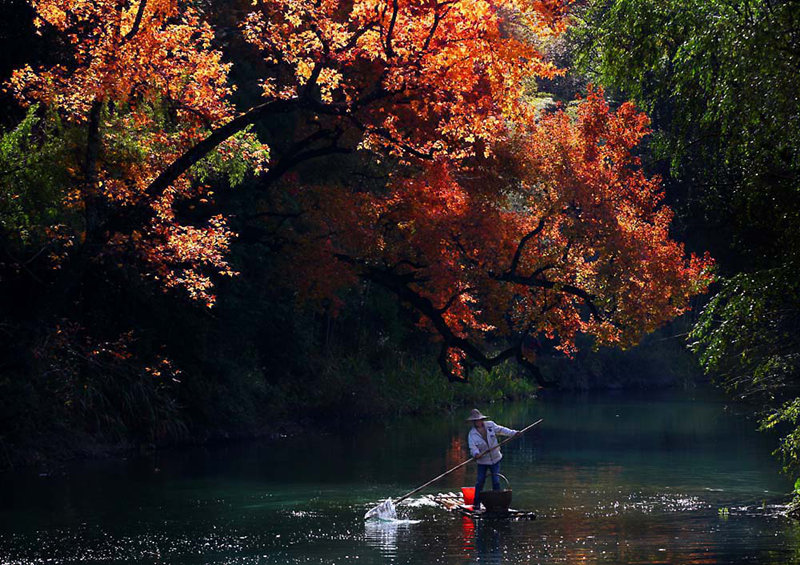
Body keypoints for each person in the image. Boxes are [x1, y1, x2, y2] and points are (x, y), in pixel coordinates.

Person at [466, 408, 518, 511]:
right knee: (480, 481)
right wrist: (476, 454)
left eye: (479, 420)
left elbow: (502, 430)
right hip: (482, 461)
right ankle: (476, 503)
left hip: (495, 459)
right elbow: (473, 447)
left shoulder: (490, 425)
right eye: (476, 421)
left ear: (482, 419)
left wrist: (514, 433)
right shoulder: (472, 434)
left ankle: (497, 503)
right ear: (473, 422)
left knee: (496, 481)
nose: (478, 422)